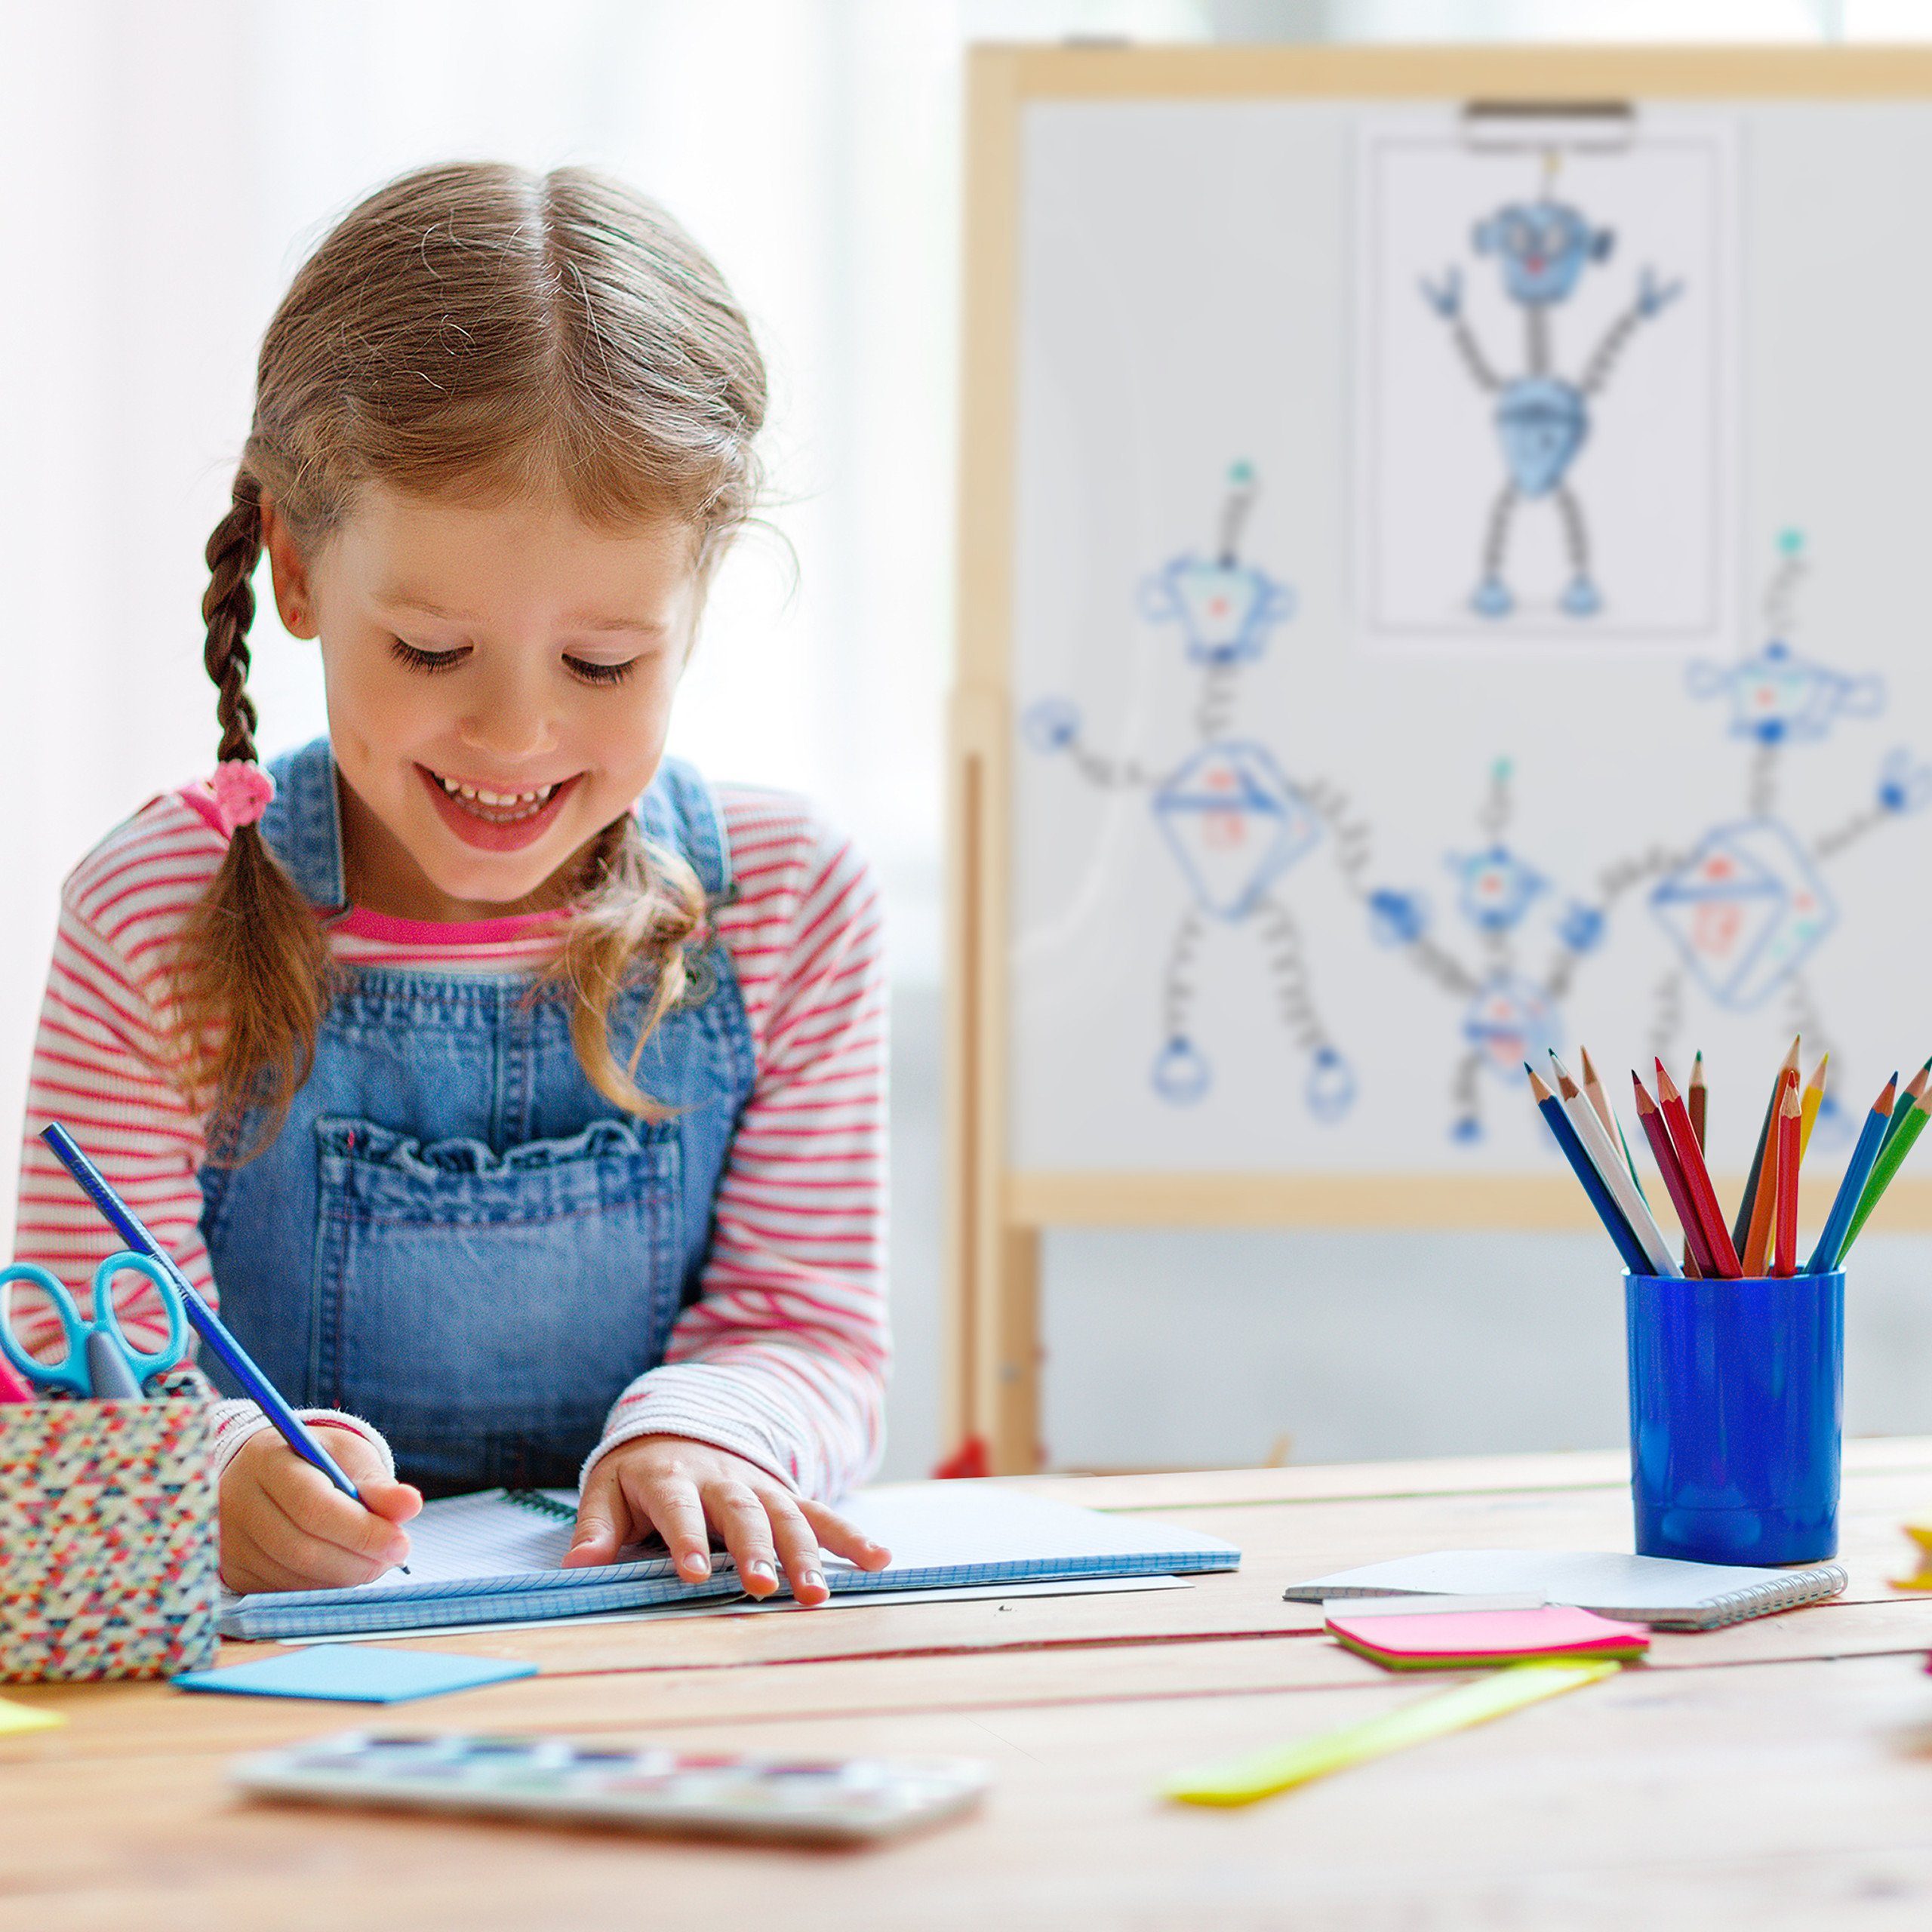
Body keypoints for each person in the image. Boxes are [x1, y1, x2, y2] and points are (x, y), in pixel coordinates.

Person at [13, 162, 891, 1604]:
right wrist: (212, 1472)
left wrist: (712, 1432)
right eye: (431, 650)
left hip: (660, 1658)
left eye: (602, 663)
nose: (515, 734)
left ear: (697, 604)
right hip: (286, 1673)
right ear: (296, 570)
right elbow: (84, 1368)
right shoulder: (153, 909)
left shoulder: (789, 902)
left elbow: (810, 1327)